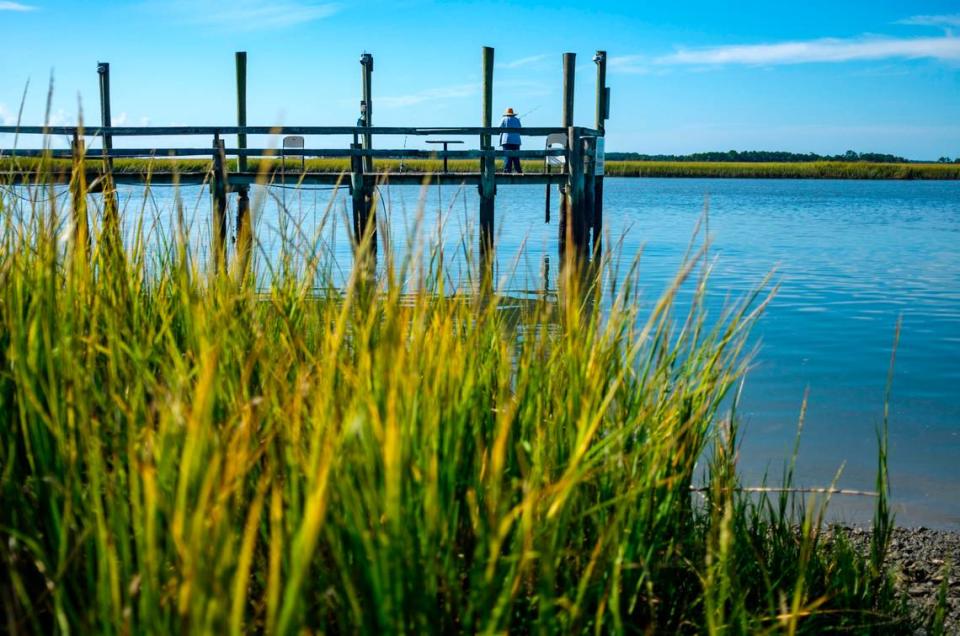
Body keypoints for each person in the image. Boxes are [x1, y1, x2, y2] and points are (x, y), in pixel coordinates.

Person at [499, 107, 523, 174]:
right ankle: (518, 171)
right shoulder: (517, 120)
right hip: (516, 141)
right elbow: (520, 128)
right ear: (513, 114)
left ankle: (507, 170)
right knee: (516, 157)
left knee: (507, 156)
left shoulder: (504, 119)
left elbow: (499, 128)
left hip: (507, 140)